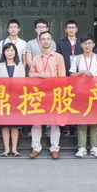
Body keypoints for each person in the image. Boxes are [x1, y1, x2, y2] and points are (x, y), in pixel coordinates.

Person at [28, 31, 65, 159]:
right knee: (36, 122)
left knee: (54, 122)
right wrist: (39, 75)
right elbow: (30, 75)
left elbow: (62, 76)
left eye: (48, 38)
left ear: (52, 41)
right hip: (38, 94)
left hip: (54, 93)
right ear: (40, 42)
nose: (46, 41)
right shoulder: (36, 58)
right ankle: (36, 148)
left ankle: (54, 148)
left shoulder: (58, 57)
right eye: (43, 39)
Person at [70, 34, 97, 158]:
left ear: (93, 44)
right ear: (81, 45)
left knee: (96, 120)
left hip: (96, 93)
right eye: (85, 43)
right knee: (82, 120)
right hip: (81, 93)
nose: (87, 45)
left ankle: (95, 147)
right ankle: (82, 147)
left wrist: (96, 80)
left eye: (89, 43)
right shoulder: (77, 59)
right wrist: (82, 73)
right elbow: (71, 76)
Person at [0, 42, 25, 157]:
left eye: (12, 50)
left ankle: (15, 149)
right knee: (5, 125)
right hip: (4, 98)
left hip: (16, 98)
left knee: (15, 125)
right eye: (7, 50)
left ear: (15, 52)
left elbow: (23, 83)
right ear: (4, 53)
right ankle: (6, 149)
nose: (10, 53)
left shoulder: (20, 66)